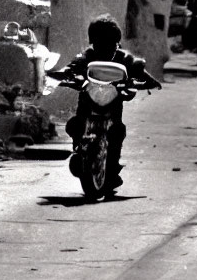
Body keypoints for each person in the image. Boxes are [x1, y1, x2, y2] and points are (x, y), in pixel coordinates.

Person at [63, 14, 161, 190]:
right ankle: (79, 147)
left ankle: (112, 169)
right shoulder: (86, 57)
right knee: (74, 125)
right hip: (87, 108)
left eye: (111, 44)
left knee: (117, 131)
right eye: (101, 44)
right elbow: (73, 67)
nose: (107, 49)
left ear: (117, 43)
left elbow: (138, 70)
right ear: (93, 43)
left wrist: (149, 81)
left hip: (112, 110)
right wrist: (67, 76)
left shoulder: (124, 59)